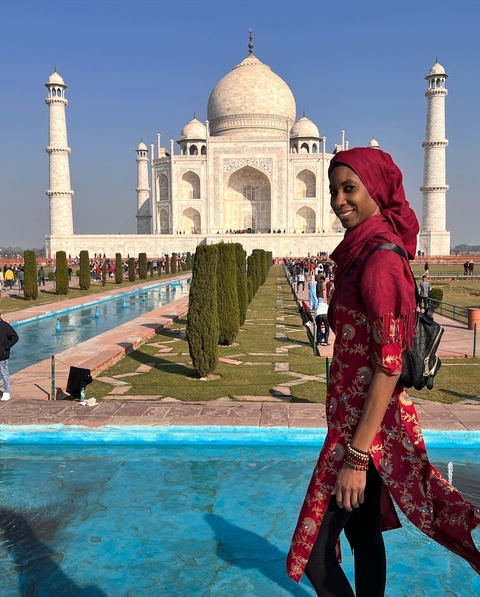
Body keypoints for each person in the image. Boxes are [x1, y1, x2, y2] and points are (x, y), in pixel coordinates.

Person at [287, 148, 480, 595]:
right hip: (361, 426)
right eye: (334, 190)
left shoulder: (378, 260)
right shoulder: (362, 252)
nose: (338, 201)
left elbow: (389, 366)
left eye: (349, 188)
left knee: (314, 555)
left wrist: (356, 457)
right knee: (363, 535)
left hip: (362, 436)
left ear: (376, 191)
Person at [0, 312, 19, 401]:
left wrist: (5, 347)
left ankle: (6, 392)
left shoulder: (5, 326)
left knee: (4, 373)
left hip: (2, 355)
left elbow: (15, 337)